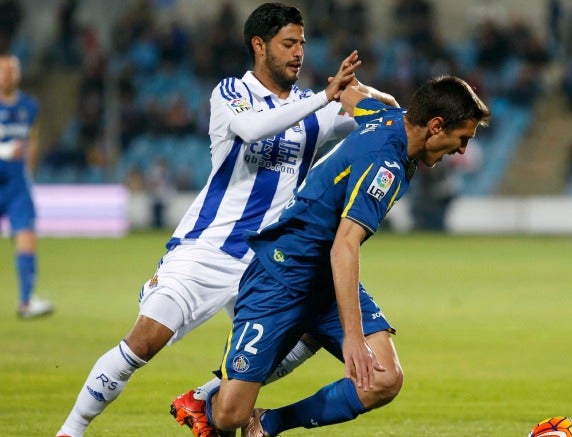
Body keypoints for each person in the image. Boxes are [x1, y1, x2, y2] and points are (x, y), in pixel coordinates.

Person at [55, 3, 397, 436]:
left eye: (302, 45)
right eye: (288, 44)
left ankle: (203, 396)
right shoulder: (232, 93)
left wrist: (367, 93)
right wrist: (324, 98)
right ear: (260, 46)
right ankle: (71, 429)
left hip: (268, 262)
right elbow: (255, 130)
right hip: (209, 249)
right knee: (143, 342)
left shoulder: (316, 108)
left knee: (306, 336)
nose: (298, 54)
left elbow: (386, 121)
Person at [189, 76, 490, 436]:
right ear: (437, 125)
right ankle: (204, 401)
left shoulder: (390, 116)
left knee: (383, 379)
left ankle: (269, 422)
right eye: (463, 139)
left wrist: (355, 86)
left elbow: (349, 95)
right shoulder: (386, 165)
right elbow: (344, 245)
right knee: (227, 416)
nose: (461, 151)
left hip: (322, 277)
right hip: (281, 275)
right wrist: (353, 337)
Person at [0, 54, 54, 319]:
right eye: (2, 70)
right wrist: (5, 150)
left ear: (18, 74)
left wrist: (28, 170)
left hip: (17, 185)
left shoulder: (29, 106)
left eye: (11, 70)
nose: (7, 75)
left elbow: (32, 141)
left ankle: (25, 301)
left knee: (26, 237)